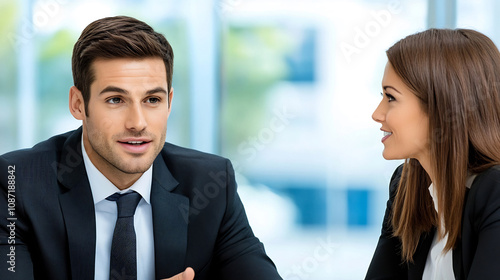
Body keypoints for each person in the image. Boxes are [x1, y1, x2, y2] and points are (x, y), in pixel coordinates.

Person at [0, 16, 282, 280]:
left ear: (169, 102)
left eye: (152, 100)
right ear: (78, 104)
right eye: (115, 100)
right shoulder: (15, 182)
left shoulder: (210, 182)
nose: (137, 123)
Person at [366, 28, 500, 279]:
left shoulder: (494, 193)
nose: (377, 113)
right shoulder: (406, 185)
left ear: (442, 105)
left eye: (390, 97)